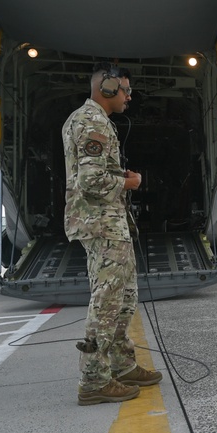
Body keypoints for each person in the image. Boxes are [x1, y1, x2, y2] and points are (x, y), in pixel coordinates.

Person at [63, 63, 163, 406]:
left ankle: (121, 365)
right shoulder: (92, 122)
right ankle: (93, 380)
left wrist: (118, 173)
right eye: (125, 90)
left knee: (124, 298)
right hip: (101, 224)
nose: (129, 97)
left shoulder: (91, 120)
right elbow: (90, 182)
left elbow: (90, 173)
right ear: (106, 88)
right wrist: (130, 182)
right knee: (107, 303)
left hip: (108, 222)